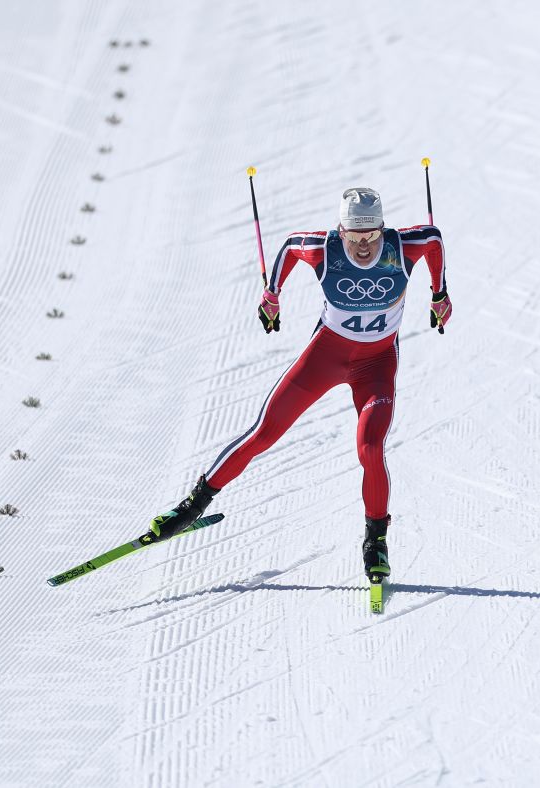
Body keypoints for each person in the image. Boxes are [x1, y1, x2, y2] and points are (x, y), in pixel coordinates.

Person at [147, 187, 450, 581]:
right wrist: (272, 295)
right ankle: (192, 506)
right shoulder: (325, 250)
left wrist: (439, 293)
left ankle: (375, 540)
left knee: (371, 448)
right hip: (325, 358)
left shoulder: (401, 247)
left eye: (371, 236)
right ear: (341, 231)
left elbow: (434, 238)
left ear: (382, 229)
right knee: (263, 433)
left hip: (376, 365)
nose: (362, 246)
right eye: (354, 237)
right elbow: (290, 246)